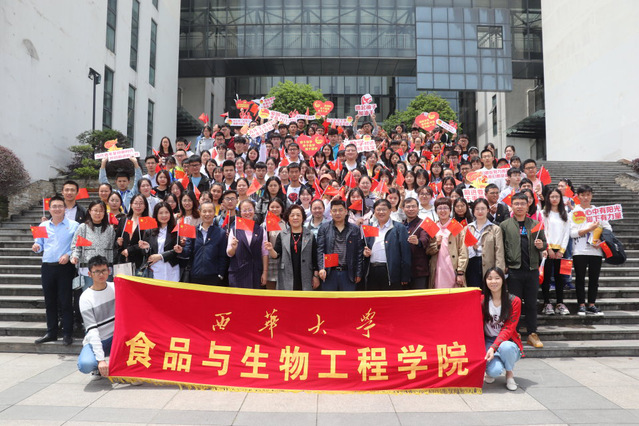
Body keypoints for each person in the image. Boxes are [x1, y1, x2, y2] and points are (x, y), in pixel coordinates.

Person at [500, 192, 547, 349]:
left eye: (522, 203)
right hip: (514, 270)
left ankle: (532, 334)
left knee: (532, 303)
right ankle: (515, 333)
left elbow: (544, 244)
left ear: (528, 205)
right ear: (511, 206)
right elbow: (501, 247)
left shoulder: (535, 224)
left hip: (532, 269)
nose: (519, 206)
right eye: (516, 204)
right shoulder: (505, 225)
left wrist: (541, 246)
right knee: (515, 304)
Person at [32, 195, 79, 345]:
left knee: (66, 301)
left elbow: (78, 246)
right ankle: (51, 332)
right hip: (47, 266)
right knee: (50, 301)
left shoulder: (74, 225)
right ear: (49, 209)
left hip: (65, 267)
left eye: (60, 206)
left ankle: (67, 333)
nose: (57, 209)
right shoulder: (43, 226)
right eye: (54, 206)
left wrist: (68, 254)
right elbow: (39, 244)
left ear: (65, 208)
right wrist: (36, 247)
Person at [570, 184, 612, 316]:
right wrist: (588, 229)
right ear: (578, 196)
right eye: (582, 195)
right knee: (580, 278)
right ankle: (581, 305)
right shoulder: (573, 213)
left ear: (591, 196)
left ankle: (592, 304)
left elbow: (608, 229)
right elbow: (572, 233)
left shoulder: (598, 212)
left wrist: (601, 241)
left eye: (588, 195)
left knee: (594, 279)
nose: (585, 198)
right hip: (579, 250)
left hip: (596, 251)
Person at [482, 267, 524, 391]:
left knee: (506, 347)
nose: (493, 282)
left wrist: (493, 348)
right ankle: (495, 364)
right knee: (494, 372)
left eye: (497, 278)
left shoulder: (514, 301)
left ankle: (509, 374)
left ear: (503, 280)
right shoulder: (482, 300)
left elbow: (508, 329)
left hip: (507, 341)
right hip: (488, 340)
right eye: (489, 278)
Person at [77, 255, 115, 378]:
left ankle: (123, 369)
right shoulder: (85, 298)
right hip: (97, 339)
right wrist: (100, 360)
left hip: (116, 338)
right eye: (97, 271)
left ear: (109, 271)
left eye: (104, 270)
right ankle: (97, 367)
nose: (101, 274)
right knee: (86, 364)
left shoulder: (116, 288)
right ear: (90, 274)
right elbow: (92, 330)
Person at [265, 205, 319, 291]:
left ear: (303, 218)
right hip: (286, 274)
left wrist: (316, 275)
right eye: (292, 215)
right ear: (288, 218)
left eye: (298, 215)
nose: (295, 218)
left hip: (306, 275)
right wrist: (271, 249)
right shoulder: (282, 235)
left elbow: (315, 257)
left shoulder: (310, 235)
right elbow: (276, 255)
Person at [363, 199, 411, 290]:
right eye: (378, 209)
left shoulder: (399, 228)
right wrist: (364, 253)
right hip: (372, 270)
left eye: (384, 209)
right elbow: (364, 246)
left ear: (390, 210)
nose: (381, 212)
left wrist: (405, 275)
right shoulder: (370, 227)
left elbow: (405, 253)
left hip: (391, 271)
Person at [176, 202, 228, 285]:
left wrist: (220, 274)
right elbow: (188, 251)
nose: (207, 214)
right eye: (204, 211)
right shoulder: (193, 231)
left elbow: (223, 256)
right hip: (195, 276)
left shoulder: (220, 233)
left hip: (213, 277)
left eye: (210, 211)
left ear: (214, 212)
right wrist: (181, 250)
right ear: (200, 213)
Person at [317, 199, 364, 291]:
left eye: (340, 210)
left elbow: (359, 252)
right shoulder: (324, 228)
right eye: (334, 210)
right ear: (330, 212)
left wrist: (358, 272)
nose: (337, 213)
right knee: (329, 299)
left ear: (346, 212)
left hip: (348, 272)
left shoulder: (354, 229)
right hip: (329, 272)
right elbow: (320, 250)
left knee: (347, 299)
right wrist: (321, 268)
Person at [71, 200, 116, 290]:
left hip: (105, 270)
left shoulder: (110, 229)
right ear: (89, 211)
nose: (98, 213)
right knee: (89, 295)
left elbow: (112, 248)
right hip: (87, 270)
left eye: (101, 211)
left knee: (106, 295)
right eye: (95, 210)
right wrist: (74, 256)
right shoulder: (83, 228)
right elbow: (76, 246)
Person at [541, 188, 571, 315]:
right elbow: (543, 231)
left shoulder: (565, 214)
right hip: (547, 250)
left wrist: (562, 250)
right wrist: (548, 248)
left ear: (560, 198)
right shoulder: (543, 213)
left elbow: (566, 233)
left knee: (560, 278)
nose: (554, 199)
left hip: (561, 251)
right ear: (548, 198)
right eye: (552, 196)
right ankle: (546, 303)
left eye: (557, 197)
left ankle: (560, 303)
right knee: (546, 277)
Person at [226, 200, 268, 288]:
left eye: (250, 209)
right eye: (244, 210)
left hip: (255, 273)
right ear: (240, 212)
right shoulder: (235, 230)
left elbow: (264, 253)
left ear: (254, 211)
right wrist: (233, 248)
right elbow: (229, 253)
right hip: (238, 273)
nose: (247, 213)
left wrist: (264, 272)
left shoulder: (260, 230)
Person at [428, 197, 468, 289]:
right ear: (436, 211)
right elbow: (428, 250)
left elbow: (463, 250)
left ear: (450, 210)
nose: (443, 211)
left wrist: (460, 272)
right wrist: (436, 244)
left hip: (452, 268)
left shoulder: (456, 226)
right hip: (438, 268)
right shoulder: (433, 227)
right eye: (439, 208)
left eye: (445, 208)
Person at [465, 198, 505, 288]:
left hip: (489, 265)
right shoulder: (468, 228)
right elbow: (463, 249)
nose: (480, 211)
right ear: (473, 211)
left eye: (483, 208)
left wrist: (499, 271)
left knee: (488, 291)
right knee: (474, 291)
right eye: (477, 209)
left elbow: (499, 251)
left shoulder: (495, 229)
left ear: (488, 210)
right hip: (471, 265)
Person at [143, 202, 180, 282]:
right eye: (161, 213)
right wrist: (146, 248)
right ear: (156, 215)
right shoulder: (149, 231)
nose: (164, 215)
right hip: (155, 269)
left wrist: (161, 256)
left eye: (166, 212)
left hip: (171, 269)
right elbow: (146, 253)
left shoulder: (176, 230)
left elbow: (176, 251)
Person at [403, 197, 433, 289]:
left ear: (418, 208)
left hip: (419, 269)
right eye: (408, 207)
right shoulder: (400, 225)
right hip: (404, 270)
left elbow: (425, 239)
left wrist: (418, 241)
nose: (411, 209)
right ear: (403, 209)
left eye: (413, 206)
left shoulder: (424, 223)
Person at [114, 194, 149, 274]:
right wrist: (118, 243)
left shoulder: (147, 222)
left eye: (141, 203)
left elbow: (148, 242)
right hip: (123, 261)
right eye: (136, 203)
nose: (138, 206)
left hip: (139, 262)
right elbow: (116, 240)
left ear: (145, 206)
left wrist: (129, 250)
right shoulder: (124, 220)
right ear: (131, 205)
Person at [263, 198, 287, 290]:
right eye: (272, 207)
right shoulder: (264, 225)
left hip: (283, 262)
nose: (275, 209)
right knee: (271, 290)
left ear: (282, 208)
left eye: (277, 207)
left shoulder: (286, 224)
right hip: (269, 262)